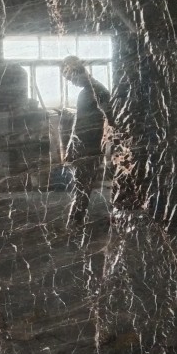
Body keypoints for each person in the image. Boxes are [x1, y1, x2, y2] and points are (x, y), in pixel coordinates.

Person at [60, 55, 111, 226]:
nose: (72, 83)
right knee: (81, 186)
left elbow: (110, 118)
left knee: (82, 186)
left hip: (90, 146)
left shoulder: (97, 91)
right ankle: (76, 220)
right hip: (83, 146)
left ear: (79, 73)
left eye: (72, 79)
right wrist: (70, 147)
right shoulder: (87, 92)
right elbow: (79, 122)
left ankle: (75, 221)